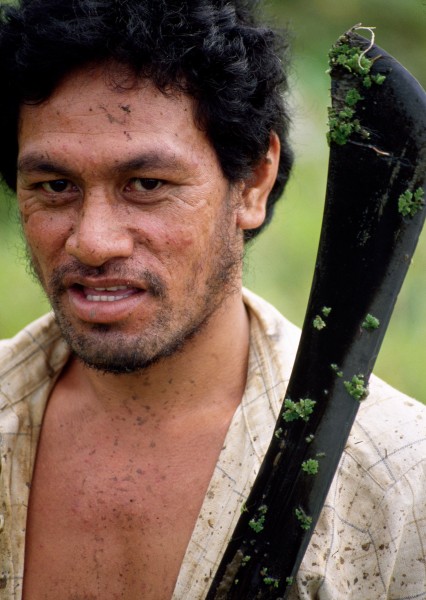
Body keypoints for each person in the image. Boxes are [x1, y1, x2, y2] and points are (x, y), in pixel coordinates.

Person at [0, 0, 424, 598]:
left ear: (252, 180)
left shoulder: (398, 476)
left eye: (147, 185)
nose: (93, 241)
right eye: (55, 186)